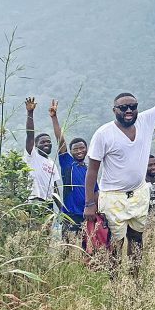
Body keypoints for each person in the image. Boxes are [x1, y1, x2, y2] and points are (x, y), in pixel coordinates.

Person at [83, 55, 155, 272]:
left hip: (138, 193)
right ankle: (116, 282)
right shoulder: (103, 134)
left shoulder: (144, 121)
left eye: (132, 106)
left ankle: (134, 280)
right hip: (113, 196)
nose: (128, 111)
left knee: (136, 239)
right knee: (115, 242)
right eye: (123, 107)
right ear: (114, 109)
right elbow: (92, 170)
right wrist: (89, 203)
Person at [48, 99, 93, 240]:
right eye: (76, 149)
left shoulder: (89, 169)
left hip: (87, 213)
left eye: (82, 148)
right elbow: (61, 142)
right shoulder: (68, 164)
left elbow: (96, 191)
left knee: (87, 246)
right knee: (68, 246)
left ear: (86, 150)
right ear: (71, 152)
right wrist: (54, 118)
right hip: (70, 214)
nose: (79, 151)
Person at [23, 97, 60, 205]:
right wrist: (30, 112)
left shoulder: (52, 163)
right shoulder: (32, 155)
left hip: (48, 203)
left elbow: (55, 189)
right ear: (36, 144)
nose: (46, 144)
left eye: (48, 142)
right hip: (34, 200)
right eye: (43, 142)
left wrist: (62, 210)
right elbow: (30, 135)